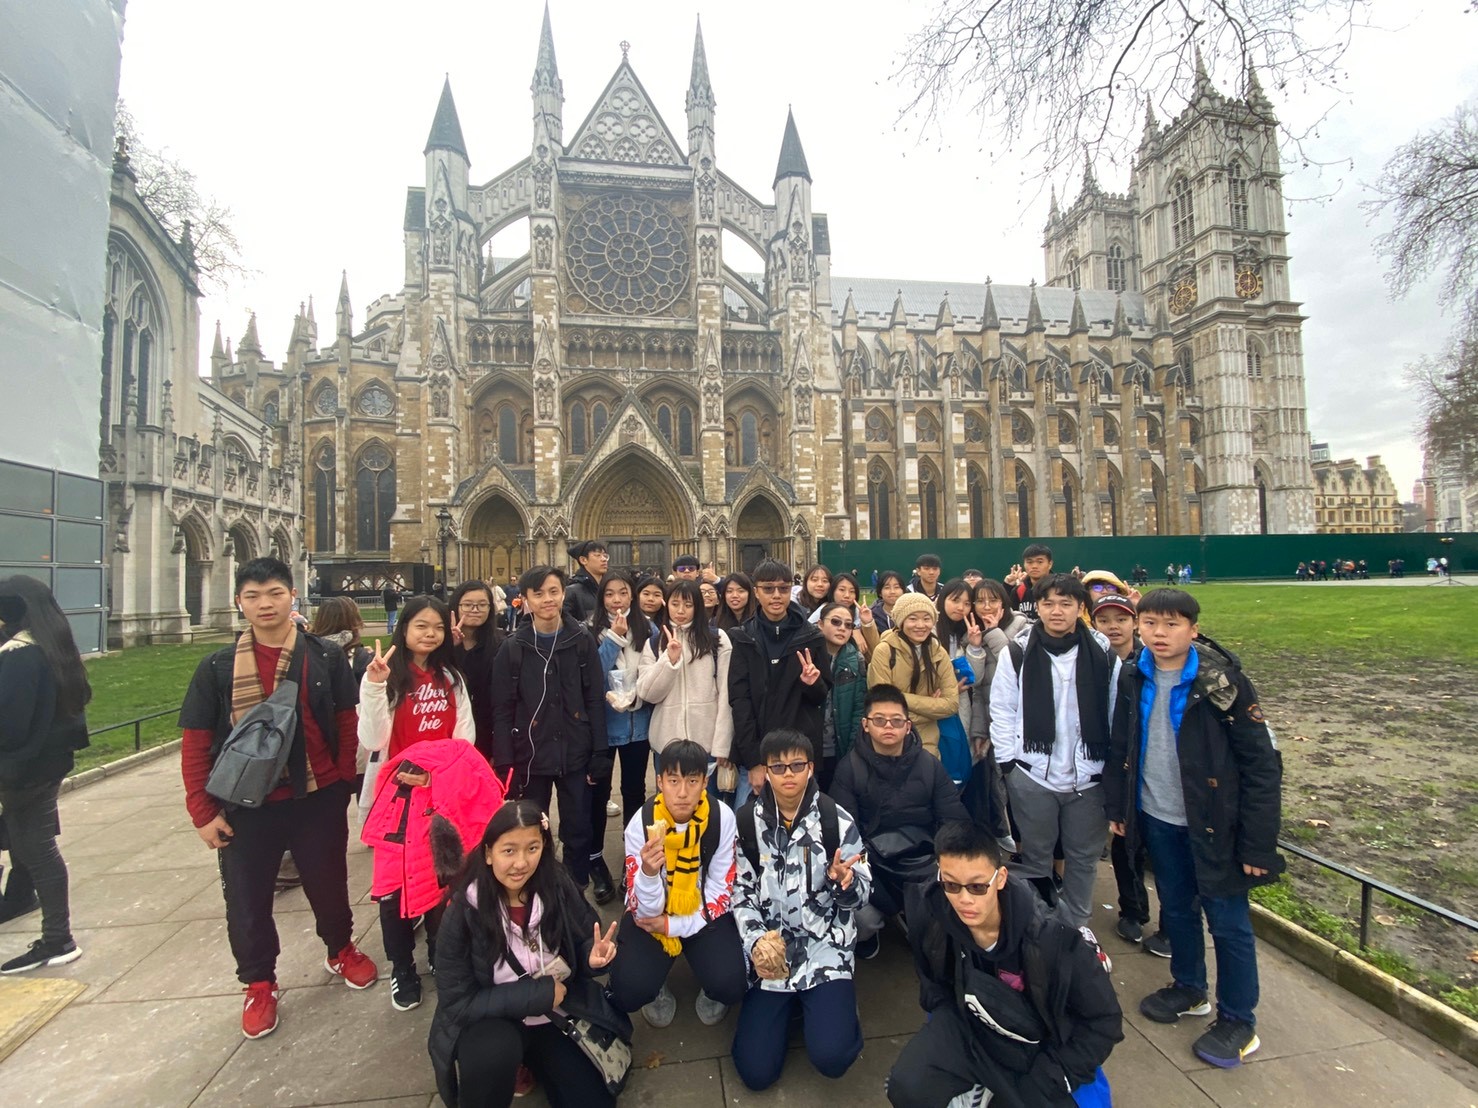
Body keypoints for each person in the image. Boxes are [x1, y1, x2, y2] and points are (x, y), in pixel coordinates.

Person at [178, 557, 376, 1038]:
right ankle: (259, 982)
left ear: (292, 596)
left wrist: (339, 784)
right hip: (247, 804)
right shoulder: (217, 667)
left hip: (316, 795)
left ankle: (340, 948)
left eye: (274, 593)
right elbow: (197, 741)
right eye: (253, 596)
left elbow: (347, 722)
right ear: (239, 603)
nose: (265, 604)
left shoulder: (325, 657)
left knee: (329, 883)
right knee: (247, 898)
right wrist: (202, 811)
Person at [1105, 588, 1285, 1068]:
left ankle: (1238, 1020)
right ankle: (1189, 987)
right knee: (1177, 908)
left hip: (1214, 824)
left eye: (1171, 624)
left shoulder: (1222, 683)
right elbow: (1123, 743)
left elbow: (1261, 765)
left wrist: (1258, 844)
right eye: (1150, 623)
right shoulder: (1134, 672)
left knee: (1227, 922)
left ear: (1193, 629)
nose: (1159, 633)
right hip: (1157, 815)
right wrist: (1119, 806)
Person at [887, 820, 1123, 1108]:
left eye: (977, 887)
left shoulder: (1054, 936)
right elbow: (933, 983)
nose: (963, 899)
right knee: (906, 1086)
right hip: (970, 1027)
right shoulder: (931, 907)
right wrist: (945, 1021)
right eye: (951, 885)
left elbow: (1104, 1019)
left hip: (1041, 1045)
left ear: (1000, 878)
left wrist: (1056, 1074)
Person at [429, 800, 627, 1108]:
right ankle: (510, 1067)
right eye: (509, 850)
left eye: (532, 848)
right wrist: (538, 994)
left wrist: (592, 956)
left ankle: (536, 1064)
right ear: (488, 854)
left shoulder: (557, 884)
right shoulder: (463, 910)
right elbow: (457, 1002)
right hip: (493, 1023)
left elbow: (584, 938)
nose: (521, 862)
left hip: (555, 1016)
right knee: (492, 1058)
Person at [730, 729, 870, 1091]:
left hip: (825, 950)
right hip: (772, 955)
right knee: (755, 1072)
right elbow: (741, 893)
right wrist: (757, 943)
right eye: (778, 767)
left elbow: (862, 895)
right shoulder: (746, 824)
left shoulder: (836, 821)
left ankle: (834, 1005)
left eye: (796, 765)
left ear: (810, 768)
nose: (788, 774)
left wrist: (846, 882)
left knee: (833, 1056)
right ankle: (796, 1007)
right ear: (766, 772)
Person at [357, 595, 476, 1010]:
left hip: (441, 792)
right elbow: (373, 740)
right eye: (421, 626)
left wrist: (438, 774)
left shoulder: (451, 678)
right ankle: (402, 967)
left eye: (438, 627)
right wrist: (374, 686)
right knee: (395, 888)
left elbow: (464, 736)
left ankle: (441, 955)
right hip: (398, 798)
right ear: (404, 629)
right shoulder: (386, 676)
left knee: (444, 879)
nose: (430, 634)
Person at [988, 573, 1112, 930]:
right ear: (1037, 607)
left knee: (1082, 858)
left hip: (1089, 777)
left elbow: (1115, 707)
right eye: (1048, 603)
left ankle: (1076, 928)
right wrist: (1010, 765)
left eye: (1066, 603)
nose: (1057, 611)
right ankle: (1039, 926)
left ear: (1080, 607)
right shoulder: (1019, 650)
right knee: (1037, 857)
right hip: (1033, 774)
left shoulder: (1102, 651)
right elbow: (1003, 708)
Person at [608, 740, 747, 1028]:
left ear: (705, 782)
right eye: (673, 781)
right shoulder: (641, 824)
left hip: (702, 911)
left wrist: (675, 926)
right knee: (629, 989)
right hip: (652, 916)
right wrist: (648, 873)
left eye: (692, 781)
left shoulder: (721, 818)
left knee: (732, 982)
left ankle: (712, 988)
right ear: (660, 782)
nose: (682, 793)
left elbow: (721, 891)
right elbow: (642, 909)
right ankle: (654, 985)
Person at [489, 566, 610, 893]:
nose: (547, 599)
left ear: (563, 594)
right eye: (538, 593)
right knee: (531, 831)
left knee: (578, 828)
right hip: (531, 756)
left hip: (575, 751)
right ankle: (539, 893)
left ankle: (575, 891)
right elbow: (502, 709)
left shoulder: (581, 640)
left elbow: (594, 699)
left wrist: (599, 751)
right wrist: (505, 763)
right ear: (525, 599)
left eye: (553, 591)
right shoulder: (513, 647)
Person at [830, 685, 968, 961]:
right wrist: (866, 871)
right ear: (866, 725)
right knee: (862, 917)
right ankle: (874, 930)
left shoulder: (929, 765)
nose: (888, 727)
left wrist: (945, 864)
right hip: (873, 864)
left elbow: (955, 819)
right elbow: (843, 834)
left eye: (896, 721)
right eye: (879, 720)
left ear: (908, 725)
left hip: (924, 859)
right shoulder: (849, 769)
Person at [0, 577, 90, 973]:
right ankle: (20, 897)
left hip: (24, 771)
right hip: (45, 765)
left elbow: (10, 723)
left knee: (35, 848)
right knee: (27, 841)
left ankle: (58, 938)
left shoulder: (20, 656)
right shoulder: (52, 647)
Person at [1089, 593, 1171, 959]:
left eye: (1120, 620)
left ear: (1133, 623)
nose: (1113, 627)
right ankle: (1133, 911)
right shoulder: (1093, 660)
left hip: (1151, 766)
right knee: (1124, 843)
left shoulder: (1150, 660)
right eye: (1104, 620)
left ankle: (1171, 925)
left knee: (1167, 853)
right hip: (1113, 764)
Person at [726, 560, 833, 807]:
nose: (776, 595)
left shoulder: (811, 636)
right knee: (750, 823)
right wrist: (754, 761)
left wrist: (812, 683)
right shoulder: (743, 637)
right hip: (757, 752)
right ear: (756, 592)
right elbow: (740, 701)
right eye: (768, 589)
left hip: (799, 753)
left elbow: (821, 696)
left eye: (783, 589)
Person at [587, 571, 656, 905]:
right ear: (602, 598)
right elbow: (592, 675)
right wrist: (613, 639)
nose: (617, 599)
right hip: (604, 726)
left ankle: (632, 859)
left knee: (634, 791)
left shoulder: (649, 629)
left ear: (632, 596)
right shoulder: (590, 631)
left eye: (623, 592)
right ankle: (596, 863)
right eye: (610, 593)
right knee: (598, 795)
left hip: (637, 724)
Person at [635, 579, 734, 797]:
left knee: (707, 805)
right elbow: (647, 693)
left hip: (706, 744)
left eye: (688, 605)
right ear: (666, 604)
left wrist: (721, 745)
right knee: (671, 804)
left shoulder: (717, 639)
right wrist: (668, 661)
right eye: (675, 604)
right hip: (666, 745)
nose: (681, 611)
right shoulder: (654, 643)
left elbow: (726, 695)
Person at [866, 593, 958, 758]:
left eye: (926, 619)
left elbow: (951, 705)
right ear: (901, 621)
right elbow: (882, 705)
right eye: (913, 619)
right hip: (890, 739)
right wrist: (930, 708)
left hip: (928, 742)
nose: (920, 625)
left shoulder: (938, 652)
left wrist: (898, 697)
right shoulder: (885, 651)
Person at [450, 581, 505, 763]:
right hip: (451, 733)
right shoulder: (442, 645)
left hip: (488, 731)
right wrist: (449, 647)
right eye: (468, 605)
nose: (475, 610)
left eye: (482, 605)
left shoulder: (501, 644)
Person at [814, 601, 867, 791]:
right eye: (836, 622)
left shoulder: (856, 659)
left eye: (848, 625)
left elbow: (859, 708)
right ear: (820, 624)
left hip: (840, 747)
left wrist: (852, 748)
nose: (842, 628)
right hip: (809, 747)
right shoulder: (806, 655)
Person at [562, 540, 608, 623]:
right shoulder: (572, 592)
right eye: (598, 555)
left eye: (605, 556)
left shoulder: (608, 587)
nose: (604, 559)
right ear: (583, 560)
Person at [1005, 544, 1054, 621]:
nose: (1034, 566)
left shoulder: (1059, 589)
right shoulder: (1019, 591)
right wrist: (1008, 586)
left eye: (1040, 562)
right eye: (1029, 562)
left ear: (1050, 564)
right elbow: (1008, 617)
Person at [634, 575, 668, 648]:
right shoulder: (630, 622)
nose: (651, 599)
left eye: (657, 595)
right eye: (646, 594)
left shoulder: (668, 623)